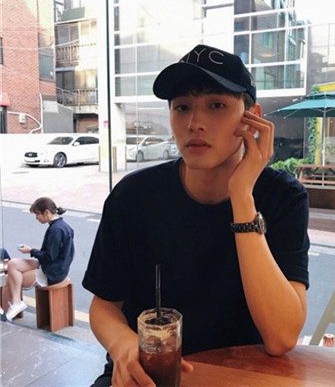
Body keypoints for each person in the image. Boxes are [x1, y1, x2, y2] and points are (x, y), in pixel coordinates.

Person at [83, 44, 310, 387]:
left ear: (252, 118)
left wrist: (242, 196)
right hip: (148, 374)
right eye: (182, 107)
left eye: (216, 105)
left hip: (239, 377)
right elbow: (104, 305)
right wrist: (123, 345)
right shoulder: (133, 196)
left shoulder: (283, 198)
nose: (195, 123)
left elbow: (281, 337)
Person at [2, 197, 75, 321]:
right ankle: (17, 303)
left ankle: (15, 304)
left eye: (37, 214)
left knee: (10, 278)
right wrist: (32, 250)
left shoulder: (56, 230)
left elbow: (49, 257)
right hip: (55, 266)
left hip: (52, 272)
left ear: (46, 212)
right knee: (12, 264)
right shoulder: (62, 226)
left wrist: (31, 251)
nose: (36, 218)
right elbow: (54, 254)